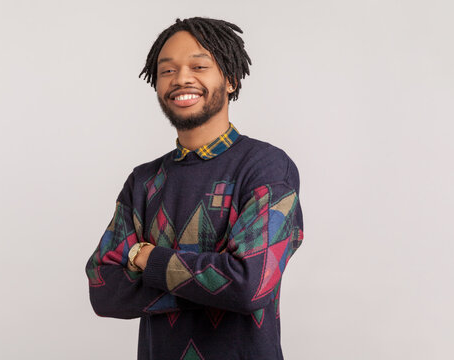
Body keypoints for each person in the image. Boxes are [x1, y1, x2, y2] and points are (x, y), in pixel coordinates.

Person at [85, 17, 304, 360]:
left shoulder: (266, 168)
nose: (181, 78)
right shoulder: (144, 181)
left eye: (199, 65)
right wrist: (215, 284)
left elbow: (249, 285)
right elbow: (103, 290)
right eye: (167, 70)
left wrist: (147, 258)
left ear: (230, 80)